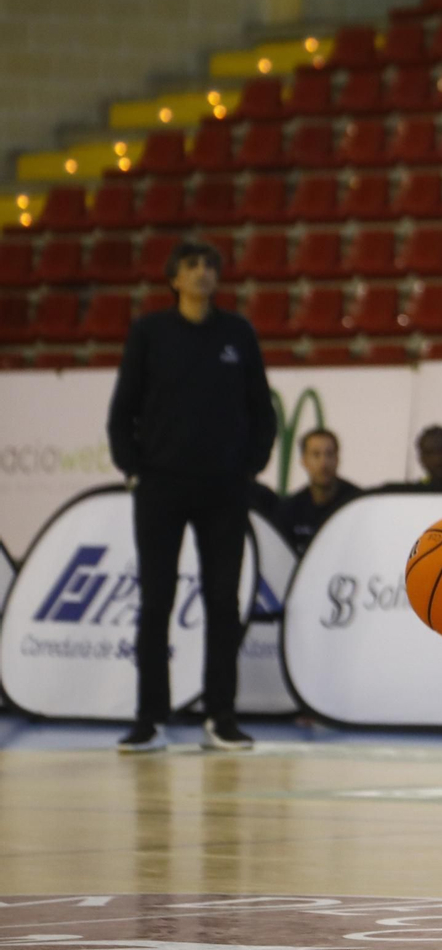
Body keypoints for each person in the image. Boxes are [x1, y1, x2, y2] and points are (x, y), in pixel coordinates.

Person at [106, 240, 276, 753]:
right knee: (155, 600)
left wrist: (249, 467)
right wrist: (134, 469)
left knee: (223, 601)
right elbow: (123, 411)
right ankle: (149, 719)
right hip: (160, 485)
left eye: (210, 266)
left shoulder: (237, 333)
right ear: (174, 279)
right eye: (192, 266)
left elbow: (261, 410)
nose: (203, 273)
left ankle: (220, 716)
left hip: (224, 487)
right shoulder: (149, 333)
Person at [273, 428, 361, 555]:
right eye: (316, 454)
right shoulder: (289, 510)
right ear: (304, 461)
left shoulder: (355, 504)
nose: (323, 463)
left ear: (337, 459)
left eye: (329, 454)